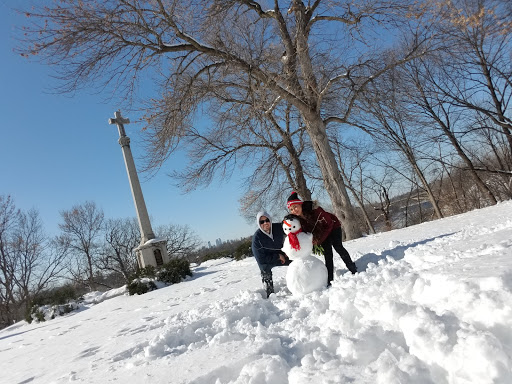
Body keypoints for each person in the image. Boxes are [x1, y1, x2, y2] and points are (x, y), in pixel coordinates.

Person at [286, 191, 357, 285]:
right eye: (291, 209)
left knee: (338, 246)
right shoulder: (297, 220)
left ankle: (352, 268)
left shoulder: (315, 210)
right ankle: (330, 280)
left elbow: (329, 224)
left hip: (333, 226)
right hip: (322, 233)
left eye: (295, 206)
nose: (294, 210)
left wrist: (320, 239)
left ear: (300, 204)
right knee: (328, 254)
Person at [252, 211, 292, 298]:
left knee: (296, 260)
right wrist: (277, 257)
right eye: (261, 222)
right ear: (259, 224)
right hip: (268, 259)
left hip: (283, 254)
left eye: (267, 220)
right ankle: (270, 293)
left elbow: (290, 228)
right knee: (264, 268)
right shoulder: (257, 239)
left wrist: (288, 251)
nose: (265, 223)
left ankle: (301, 281)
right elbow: (261, 259)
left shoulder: (278, 227)